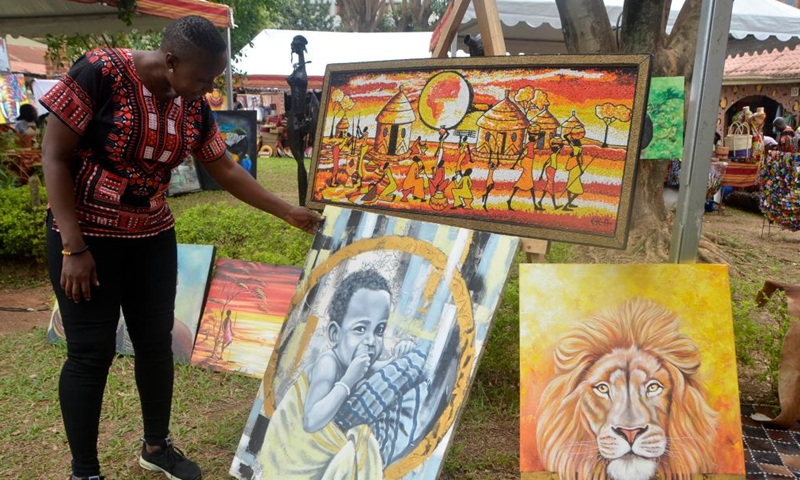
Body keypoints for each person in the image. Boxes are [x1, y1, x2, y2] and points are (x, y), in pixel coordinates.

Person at [39, 16, 322, 480]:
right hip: (86, 240)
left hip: (151, 236)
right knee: (90, 353)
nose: (209, 89)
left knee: (156, 345)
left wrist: (286, 211)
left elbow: (225, 169)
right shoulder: (99, 71)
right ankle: (84, 471)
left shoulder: (191, 105)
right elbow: (54, 155)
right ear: (170, 60)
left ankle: (156, 446)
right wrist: (73, 246)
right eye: (204, 78)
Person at [261, 269, 415, 478]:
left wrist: (400, 354)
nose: (371, 341)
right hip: (291, 458)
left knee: (363, 438)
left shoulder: (359, 360)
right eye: (360, 329)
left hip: (320, 455)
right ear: (334, 334)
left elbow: (381, 368)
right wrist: (348, 381)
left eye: (379, 330)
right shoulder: (328, 363)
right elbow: (311, 421)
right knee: (361, 439)